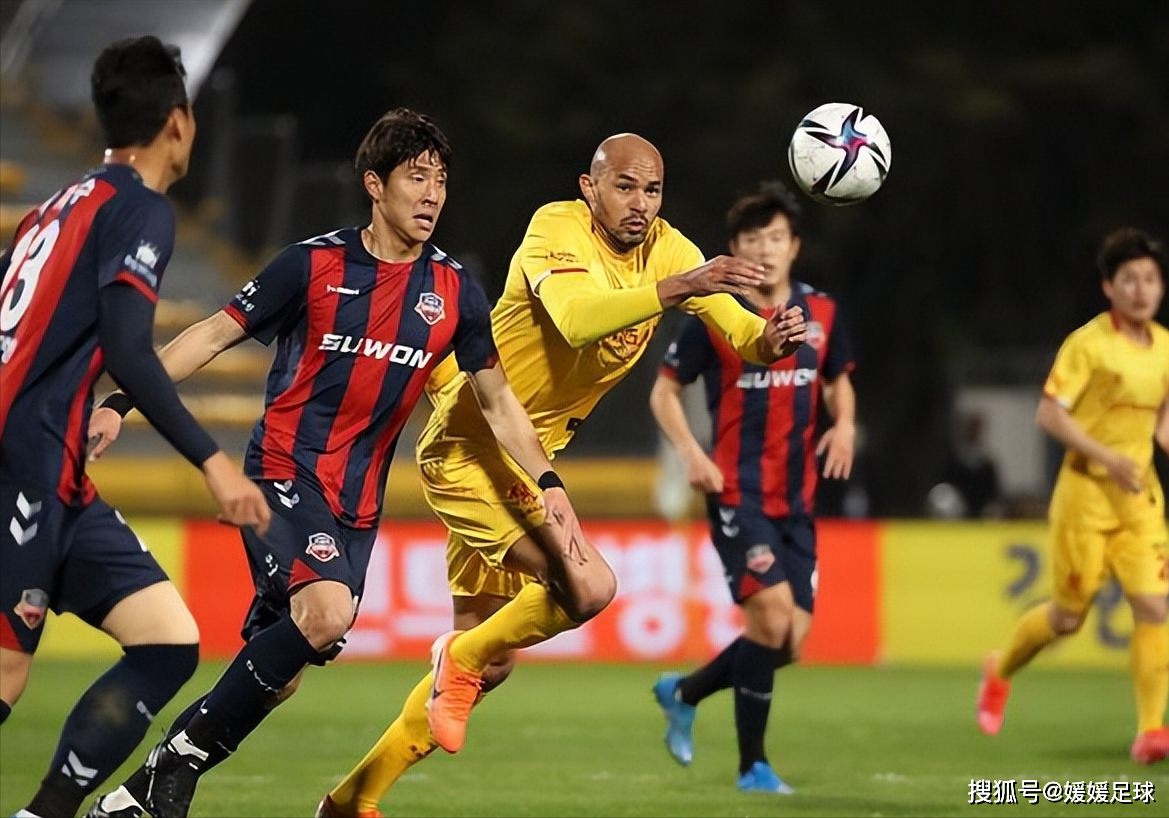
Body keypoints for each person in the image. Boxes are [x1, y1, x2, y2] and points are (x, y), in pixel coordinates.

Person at [84, 108, 586, 818]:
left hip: (357, 508)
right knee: (326, 612)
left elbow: (500, 405)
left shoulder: (452, 291)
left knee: (280, 674)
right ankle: (176, 768)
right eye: (417, 177)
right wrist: (119, 402)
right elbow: (208, 336)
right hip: (284, 473)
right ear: (374, 185)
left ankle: (135, 797)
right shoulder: (310, 265)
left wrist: (549, 483)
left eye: (441, 180)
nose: (433, 194)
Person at [318, 135, 807, 818]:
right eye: (625, 187)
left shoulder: (672, 249)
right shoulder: (556, 227)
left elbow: (738, 327)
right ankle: (455, 660)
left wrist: (769, 340)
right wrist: (677, 289)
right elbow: (575, 322)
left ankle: (350, 801)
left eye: (653, 190)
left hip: (527, 461)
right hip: (469, 449)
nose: (641, 204)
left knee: (491, 665)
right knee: (583, 586)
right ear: (589, 186)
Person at [0, 36, 270, 818]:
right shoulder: (139, 209)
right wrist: (212, 464)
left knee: (166, 639)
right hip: (22, 466)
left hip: (57, 467)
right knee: (6, 678)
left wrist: (79, 404)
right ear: (178, 123)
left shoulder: (58, 206)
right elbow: (128, 348)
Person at [649, 181, 856, 794]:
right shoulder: (716, 314)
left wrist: (844, 424)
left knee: (790, 641)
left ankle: (683, 691)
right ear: (733, 249)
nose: (763, 250)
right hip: (737, 491)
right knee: (769, 624)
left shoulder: (823, 314)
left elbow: (840, 380)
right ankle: (752, 767)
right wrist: (691, 454)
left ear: (795, 245)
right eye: (750, 240)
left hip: (797, 500)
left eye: (774, 238)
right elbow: (663, 391)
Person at [976, 227, 1169, 764]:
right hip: (1085, 497)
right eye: (1129, 280)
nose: (1141, 289)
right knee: (1068, 619)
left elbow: (1158, 405)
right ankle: (999, 672)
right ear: (1109, 288)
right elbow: (1049, 414)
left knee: (1152, 606)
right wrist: (1108, 456)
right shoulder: (1088, 343)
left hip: (1139, 500)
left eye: (1150, 279)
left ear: (1161, 287)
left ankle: (1152, 730)